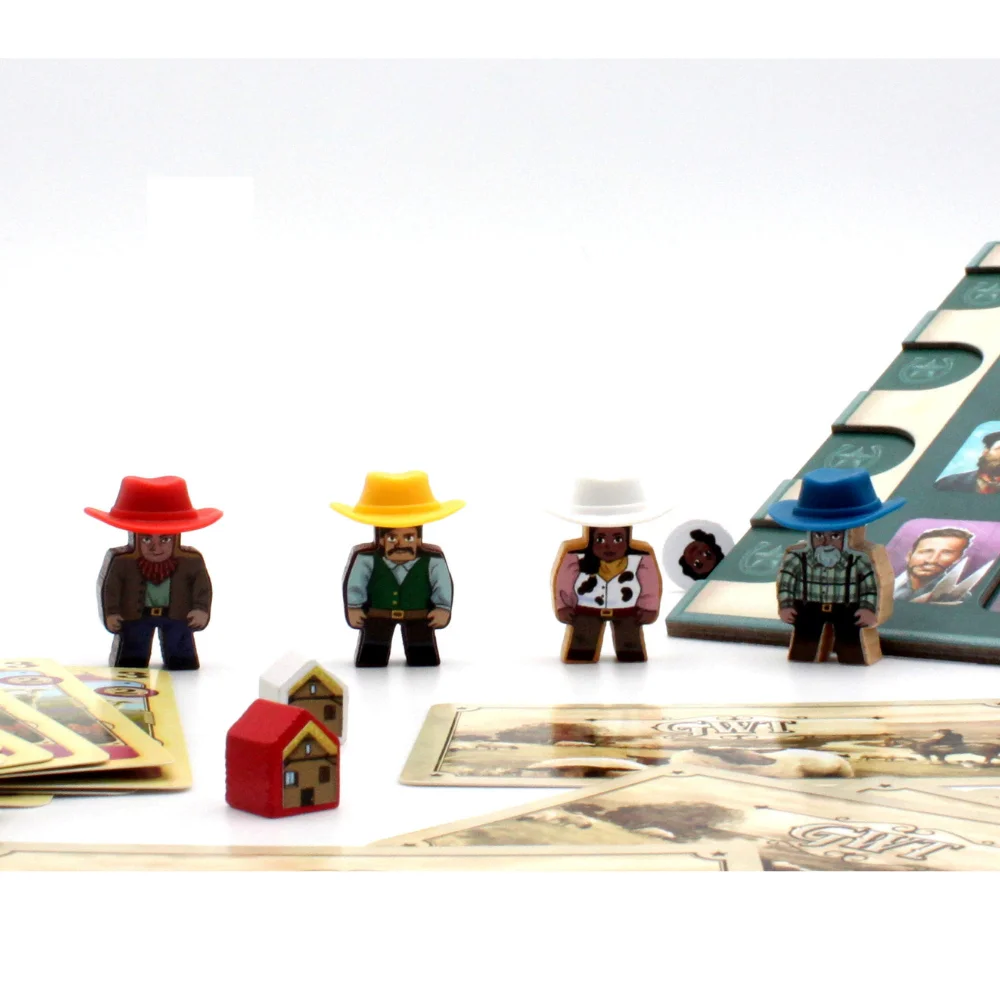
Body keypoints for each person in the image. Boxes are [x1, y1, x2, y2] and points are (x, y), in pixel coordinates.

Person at [769, 468, 905, 665]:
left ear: (851, 534)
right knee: (804, 647)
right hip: (806, 608)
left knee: (852, 648)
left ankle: (852, 656)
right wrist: (786, 604)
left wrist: (868, 608)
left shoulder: (860, 560)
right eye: (818, 535)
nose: (825, 542)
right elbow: (786, 582)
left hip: (848, 610)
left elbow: (871, 586)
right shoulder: (797, 557)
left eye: (835, 536)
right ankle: (805, 655)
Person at [85, 476, 223, 670]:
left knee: (181, 651)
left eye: (165, 540)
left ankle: (181, 660)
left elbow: (202, 587)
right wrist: (112, 613)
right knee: (132, 656)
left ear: (176, 539)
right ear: (135, 538)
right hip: (135, 616)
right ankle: (132, 660)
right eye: (146, 539)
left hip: (177, 616)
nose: (155, 548)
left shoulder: (191, 562)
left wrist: (201, 609)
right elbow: (111, 589)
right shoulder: (121, 563)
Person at [332, 471, 464, 667]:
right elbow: (356, 583)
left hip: (420, 617)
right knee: (372, 655)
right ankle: (373, 658)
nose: (400, 544)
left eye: (409, 538)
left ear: (418, 539)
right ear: (381, 540)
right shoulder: (366, 559)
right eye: (393, 538)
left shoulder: (433, 560)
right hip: (377, 615)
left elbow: (441, 583)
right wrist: (354, 607)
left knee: (423, 656)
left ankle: (421, 660)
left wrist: (442, 608)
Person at [550, 477, 668, 663]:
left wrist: (649, 608)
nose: (609, 546)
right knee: (582, 645)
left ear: (627, 537)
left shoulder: (641, 559)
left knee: (630, 646)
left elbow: (650, 585)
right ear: (590, 537)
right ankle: (582, 655)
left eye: (618, 539)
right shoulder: (575, 557)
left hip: (628, 612)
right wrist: (563, 606)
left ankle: (630, 657)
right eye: (600, 539)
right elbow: (563, 583)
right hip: (586, 610)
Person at [893, 526, 975, 603]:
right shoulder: (889, 584)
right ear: (909, 556)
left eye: (947, 553)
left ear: (957, 559)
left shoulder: (960, 598)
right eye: (926, 551)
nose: (932, 560)